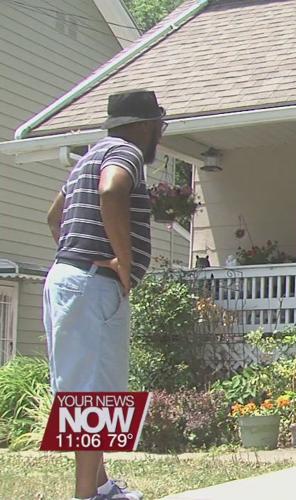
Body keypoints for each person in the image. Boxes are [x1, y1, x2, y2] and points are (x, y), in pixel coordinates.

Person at [44, 90, 166, 500]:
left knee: (90, 388)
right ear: (145, 125)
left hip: (72, 279)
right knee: (92, 395)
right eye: (159, 126)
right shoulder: (124, 152)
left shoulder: (87, 158)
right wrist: (122, 259)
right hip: (92, 283)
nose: (160, 134)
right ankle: (87, 496)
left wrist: (77, 254)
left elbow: (53, 216)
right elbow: (112, 190)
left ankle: (101, 485)